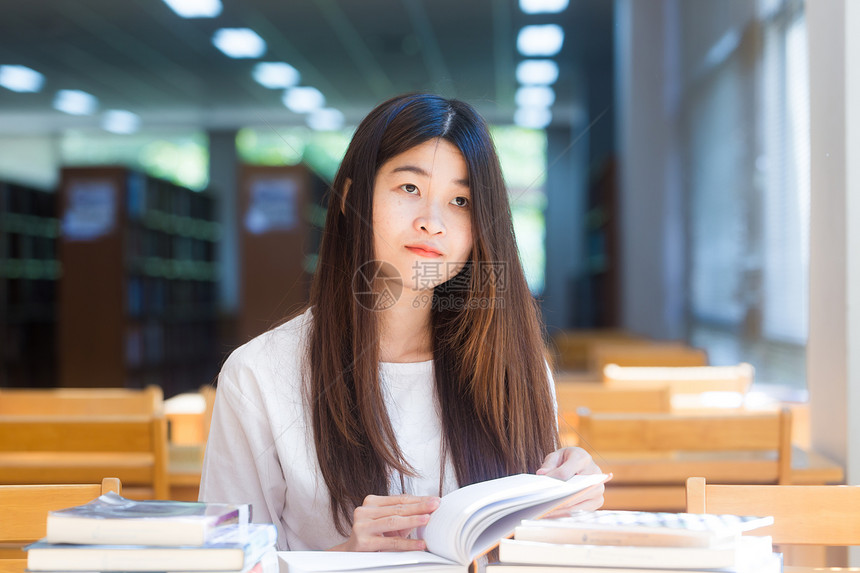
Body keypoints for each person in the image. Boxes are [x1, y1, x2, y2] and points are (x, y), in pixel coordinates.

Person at [199, 93, 603, 552]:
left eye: (460, 201)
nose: (433, 222)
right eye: (410, 189)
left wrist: (567, 497)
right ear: (352, 199)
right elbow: (225, 563)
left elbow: (530, 551)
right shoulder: (257, 374)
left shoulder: (517, 368)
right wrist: (345, 557)